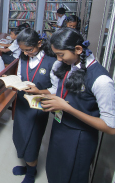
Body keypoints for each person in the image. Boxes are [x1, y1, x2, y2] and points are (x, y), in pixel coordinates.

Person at [40, 28, 115, 183]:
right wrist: (46, 98)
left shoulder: (101, 80)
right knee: (55, 172)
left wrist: (68, 108)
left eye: (61, 54)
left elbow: (110, 127)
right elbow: (68, 96)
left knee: (71, 176)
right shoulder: (69, 66)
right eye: (57, 55)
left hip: (79, 138)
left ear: (78, 49)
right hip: (60, 127)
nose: (59, 59)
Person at [12, 28, 60, 183]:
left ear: (39, 43)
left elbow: (56, 88)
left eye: (29, 50)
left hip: (39, 106)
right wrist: (15, 83)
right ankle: (27, 165)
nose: (26, 53)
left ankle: (31, 171)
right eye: (23, 50)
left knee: (33, 138)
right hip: (22, 103)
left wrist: (38, 90)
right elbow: (20, 74)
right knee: (20, 134)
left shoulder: (52, 62)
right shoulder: (24, 57)